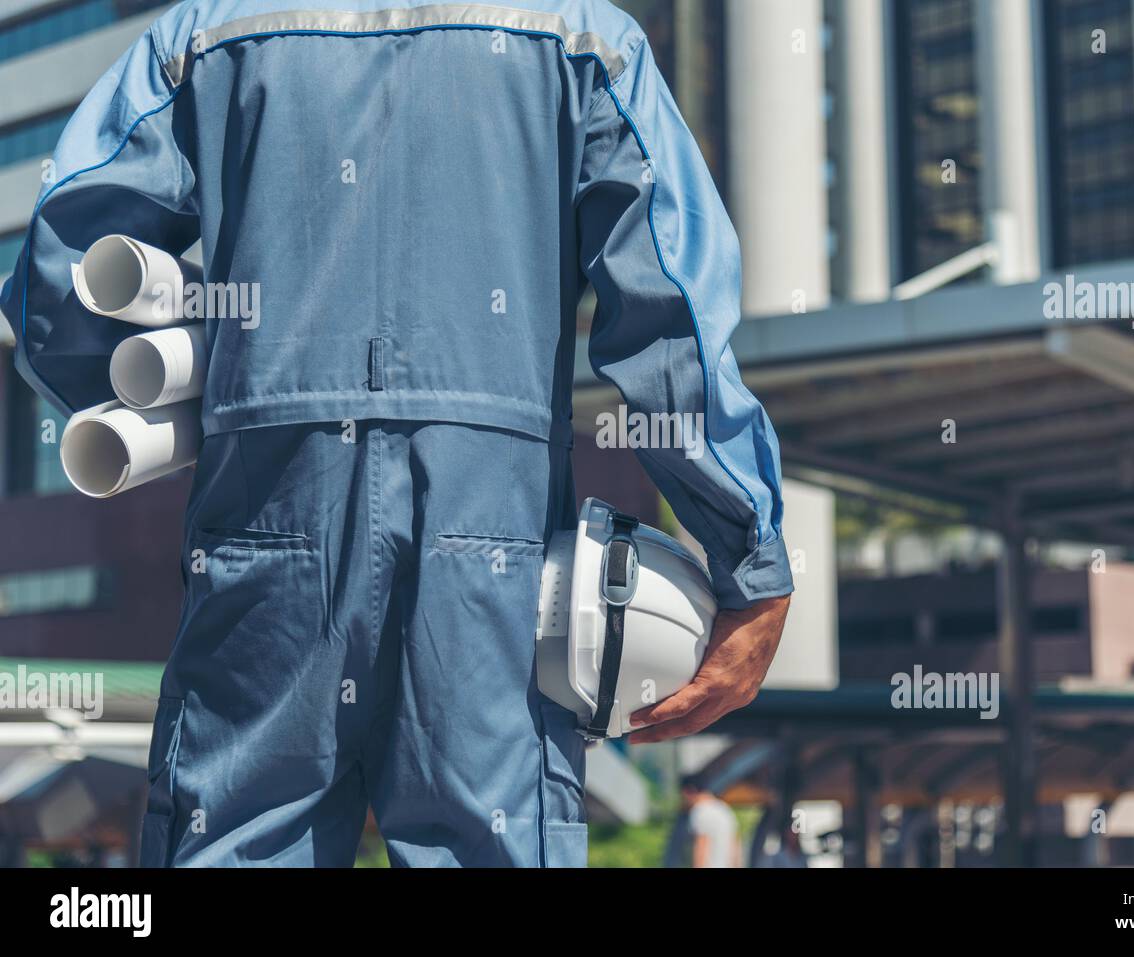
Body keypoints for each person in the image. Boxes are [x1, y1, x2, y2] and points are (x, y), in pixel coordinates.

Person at [0, 0, 793, 867]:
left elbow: (57, 278)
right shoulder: (582, 36)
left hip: (267, 522)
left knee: (233, 840)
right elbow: (670, 312)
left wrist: (182, 402)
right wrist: (746, 555)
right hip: (493, 541)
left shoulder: (204, 32)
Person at [680, 774, 740, 869]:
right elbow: (735, 845)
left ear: (689, 791)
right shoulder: (724, 809)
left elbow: (701, 845)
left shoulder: (700, 811)